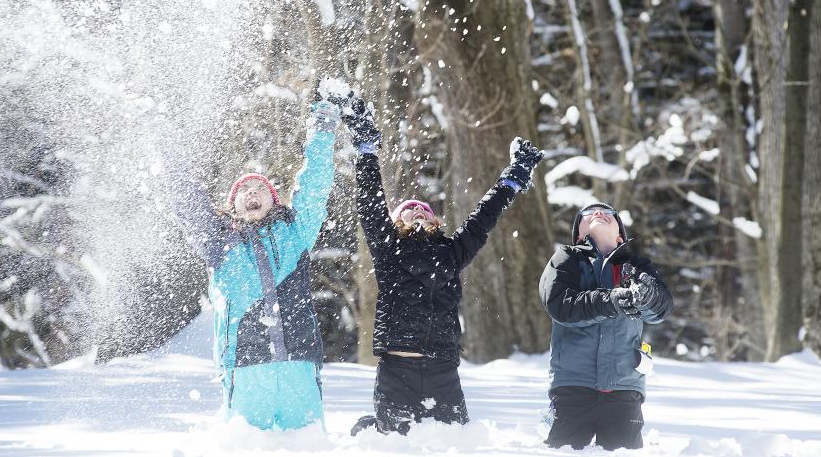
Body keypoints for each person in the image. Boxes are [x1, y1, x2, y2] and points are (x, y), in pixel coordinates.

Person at [345, 97, 545, 435]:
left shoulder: (451, 252)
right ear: (396, 222)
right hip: (398, 369)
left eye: (425, 210)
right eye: (410, 210)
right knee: (392, 445)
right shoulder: (388, 249)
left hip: (442, 370)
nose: (419, 212)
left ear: (436, 221)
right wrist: (366, 148)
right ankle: (372, 429)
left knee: (455, 444)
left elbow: (483, 219)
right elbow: (370, 202)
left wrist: (512, 179)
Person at [162, 79, 350, 431]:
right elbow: (188, 202)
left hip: (298, 364)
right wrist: (164, 145)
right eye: (243, 190)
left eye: (260, 187)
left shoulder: (295, 233)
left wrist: (323, 126)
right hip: (246, 367)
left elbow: (315, 184)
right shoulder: (219, 244)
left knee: (308, 447)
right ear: (232, 206)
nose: (252, 192)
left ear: (273, 200)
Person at [538, 202, 673, 451]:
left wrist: (646, 296)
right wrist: (611, 301)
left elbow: (661, 309)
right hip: (573, 385)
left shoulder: (636, 266)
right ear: (579, 233)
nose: (598, 213)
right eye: (588, 214)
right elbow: (560, 306)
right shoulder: (566, 259)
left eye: (608, 214)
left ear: (620, 233)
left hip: (624, 387)